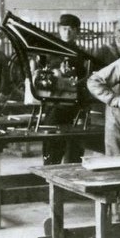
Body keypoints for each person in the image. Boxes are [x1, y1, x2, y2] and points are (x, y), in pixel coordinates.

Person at [38, 13, 88, 165]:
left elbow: (85, 77)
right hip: (53, 103)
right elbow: (40, 73)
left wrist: (73, 76)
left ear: (77, 32)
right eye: (64, 28)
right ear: (59, 30)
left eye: (72, 29)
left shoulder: (81, 54)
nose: (68, 32)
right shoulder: (50, 52)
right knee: (52, 141)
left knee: (74, 147)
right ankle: (49, 171)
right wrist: (55, 72)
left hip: (73, 105)